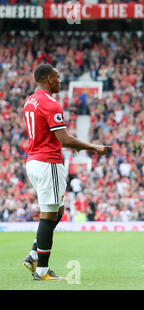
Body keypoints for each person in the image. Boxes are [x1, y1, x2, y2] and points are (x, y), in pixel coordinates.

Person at [22, 64, 112, 281]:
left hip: (34, 161)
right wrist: (94, 147)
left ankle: (34, 254)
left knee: (58, 210)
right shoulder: (50, 103)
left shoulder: (30, 100)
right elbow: (65, 139)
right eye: (57, 76)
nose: (60, 80)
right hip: (48, 162)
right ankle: (42, 270)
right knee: (49, 214)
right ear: (49, 79)